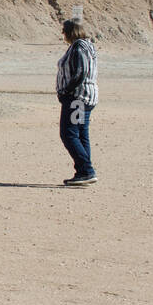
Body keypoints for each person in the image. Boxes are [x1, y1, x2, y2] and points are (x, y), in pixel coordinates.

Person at [56, 18, 98, 186]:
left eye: (64, 31)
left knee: (69, 134)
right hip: (84, 97)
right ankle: (83, 172)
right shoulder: (87, 45)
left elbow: (80, 72)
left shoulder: (79, 47)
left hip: (77, 98)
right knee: (80, 134)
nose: (63, 34)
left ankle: (86, 170)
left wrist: (67, 90)